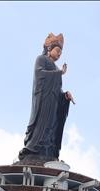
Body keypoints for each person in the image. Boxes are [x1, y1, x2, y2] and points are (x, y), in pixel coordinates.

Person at [18, 33, 73, 161]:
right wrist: (59, 73)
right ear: (49, 49)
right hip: (43, 100)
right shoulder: (41, 59)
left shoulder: (55, 67)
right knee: (41, 126)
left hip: (53, 103)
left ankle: (49, 150)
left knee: (51, 127)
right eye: (57, 51)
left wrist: (65, 96)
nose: (59, 54)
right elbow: (39, 75)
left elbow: (58, 90)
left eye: (61, 52)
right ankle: (33, 149)